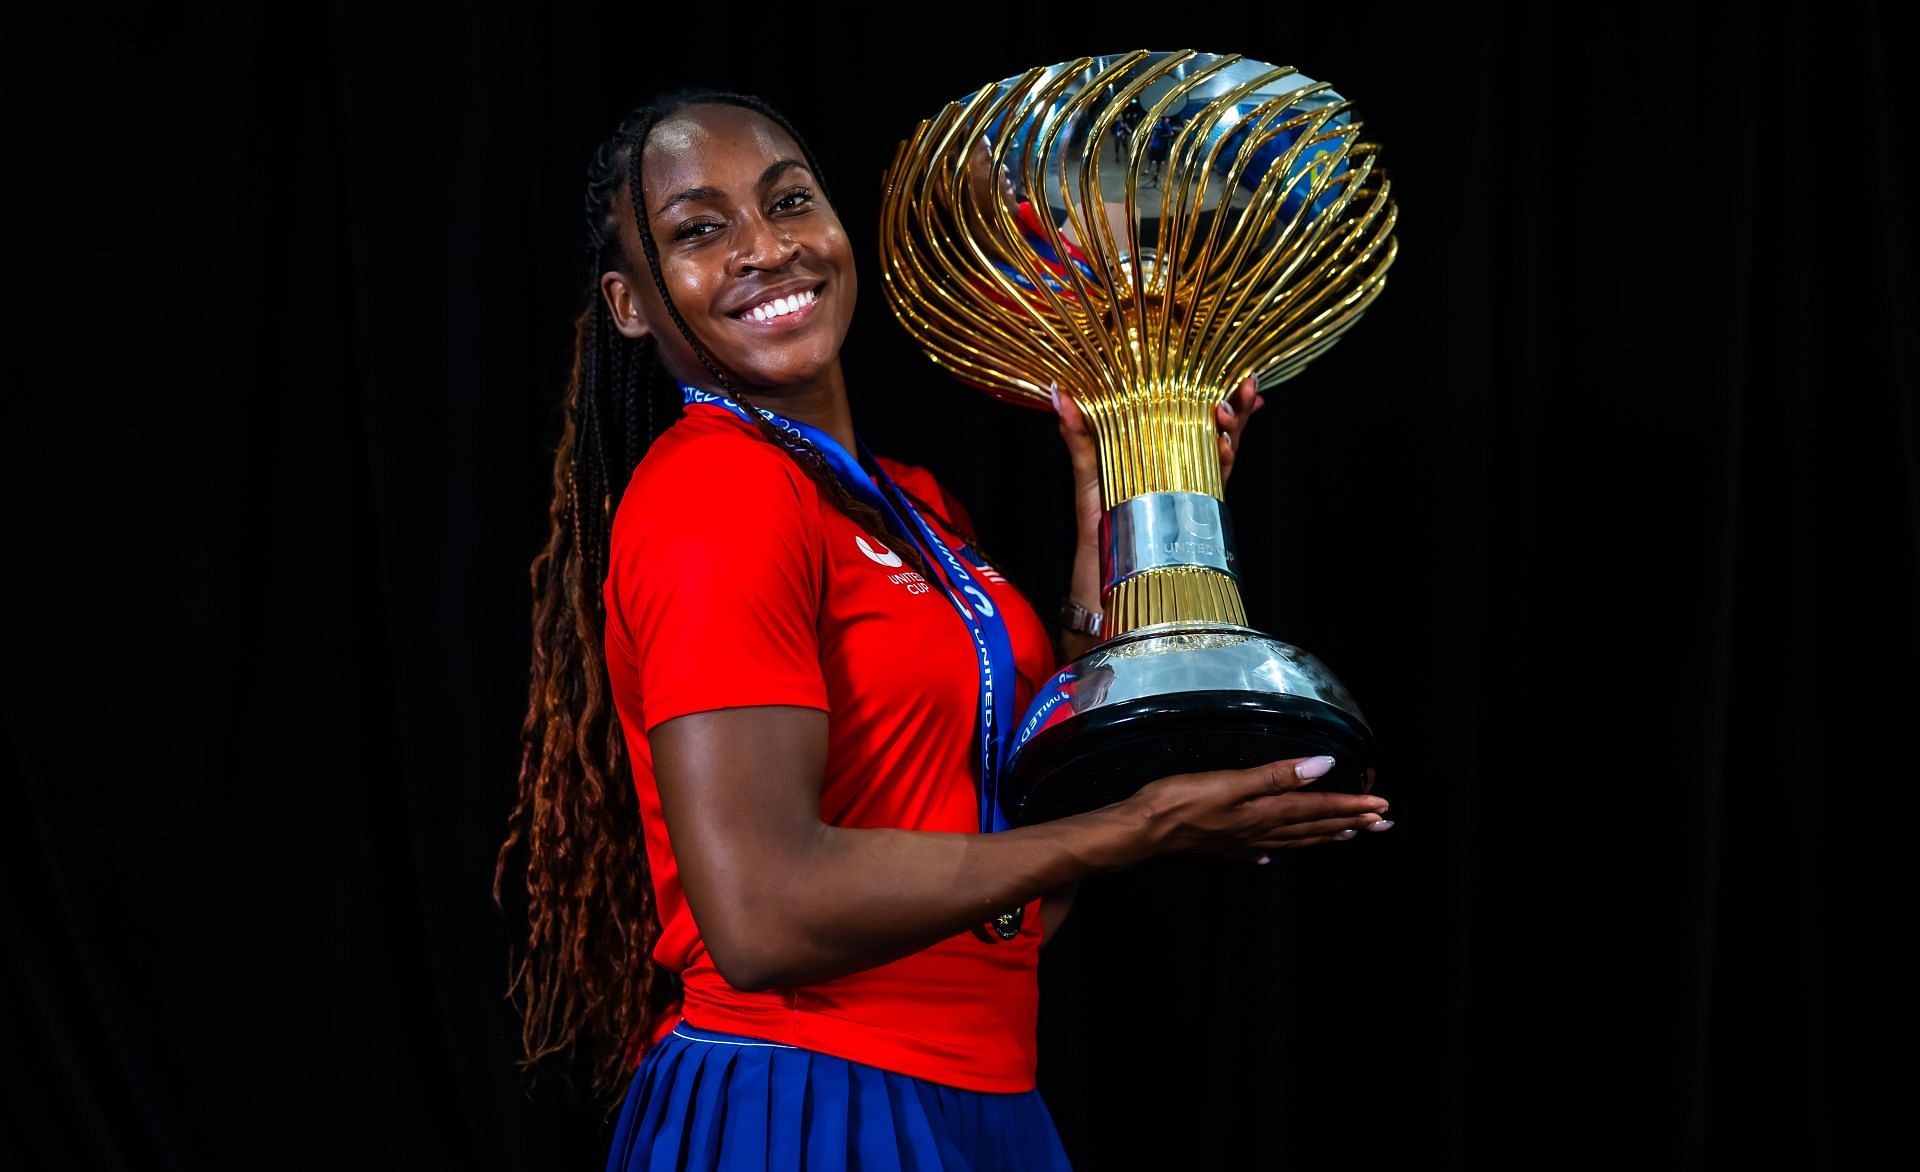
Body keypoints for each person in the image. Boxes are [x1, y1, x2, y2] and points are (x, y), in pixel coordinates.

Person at [496, 88, 1392, 1170]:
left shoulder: (910, 507)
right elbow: (763, 913)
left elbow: (1018, 872)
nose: (766, 248)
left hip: (982, 1096)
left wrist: (1118, 510)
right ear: (630, 303)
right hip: (808, 1100)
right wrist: (1143, 826)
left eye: (791, 203)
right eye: (699, 229)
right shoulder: (717, 490)